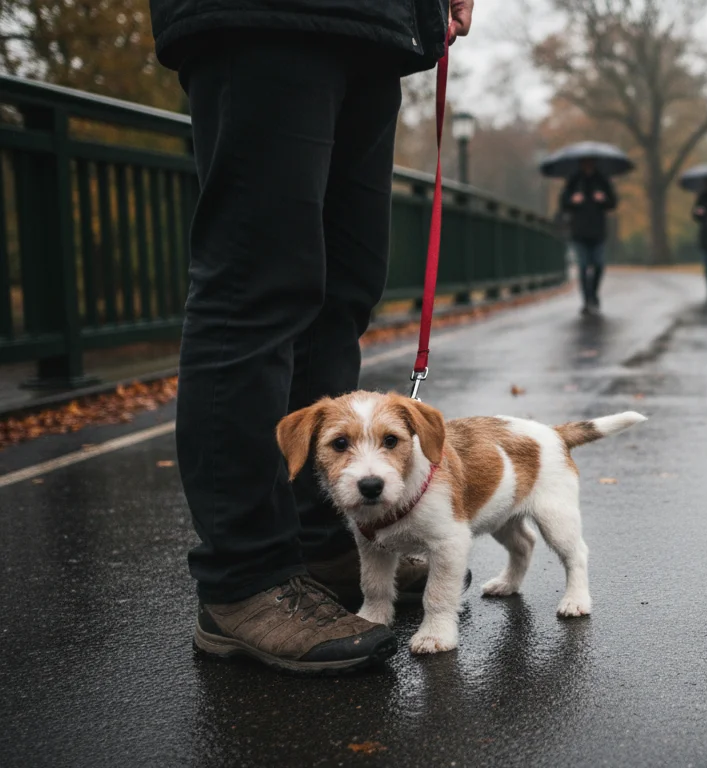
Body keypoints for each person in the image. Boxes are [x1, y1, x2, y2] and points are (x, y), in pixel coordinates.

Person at [150, 0, 476, 674]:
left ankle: (319, 539)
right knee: (256, 286)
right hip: (267, 18)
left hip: (376, 27)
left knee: (342, 291)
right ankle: (244, 580)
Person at [560, 159, 619, 315]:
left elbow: (613, 203)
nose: (587, 165)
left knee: (599, 265)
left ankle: (593, 294)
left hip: (598, 231)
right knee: (583, 266)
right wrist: (572, 200)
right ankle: (587, 301)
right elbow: (563, 203)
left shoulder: (602, 180)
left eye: (590, 162)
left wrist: (603, 199)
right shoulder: (573, 180)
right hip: (578, 231)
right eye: (584, 162)